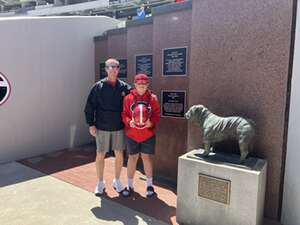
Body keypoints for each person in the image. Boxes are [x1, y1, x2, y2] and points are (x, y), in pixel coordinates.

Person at [84, 58, 131, 196]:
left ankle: (117, 180)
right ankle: (100, 182)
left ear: (118, 69)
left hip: (118, 126)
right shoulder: (98, 87)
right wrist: (91, 124)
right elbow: (89, 107)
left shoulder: (124, 87)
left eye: (116, 66)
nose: (113, 69)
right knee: (100, 154)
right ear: (105, 69)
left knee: (119, 154)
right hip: (102, 126)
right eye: (110, 67)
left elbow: (135, 99)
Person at [121, 74, 160, 197]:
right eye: (139, 84)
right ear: (135, 85)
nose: (142, 86)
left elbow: (156, 114)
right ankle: (130, 185)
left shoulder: (153, 98)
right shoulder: (128, 98)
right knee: (132, 158)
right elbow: (124, 114)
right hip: (132, 134)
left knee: (146, 158)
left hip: (147, 134)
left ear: (147, 85)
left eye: (144, 84)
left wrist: (151, 122)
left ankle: (149, 185)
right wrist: (129, 122)